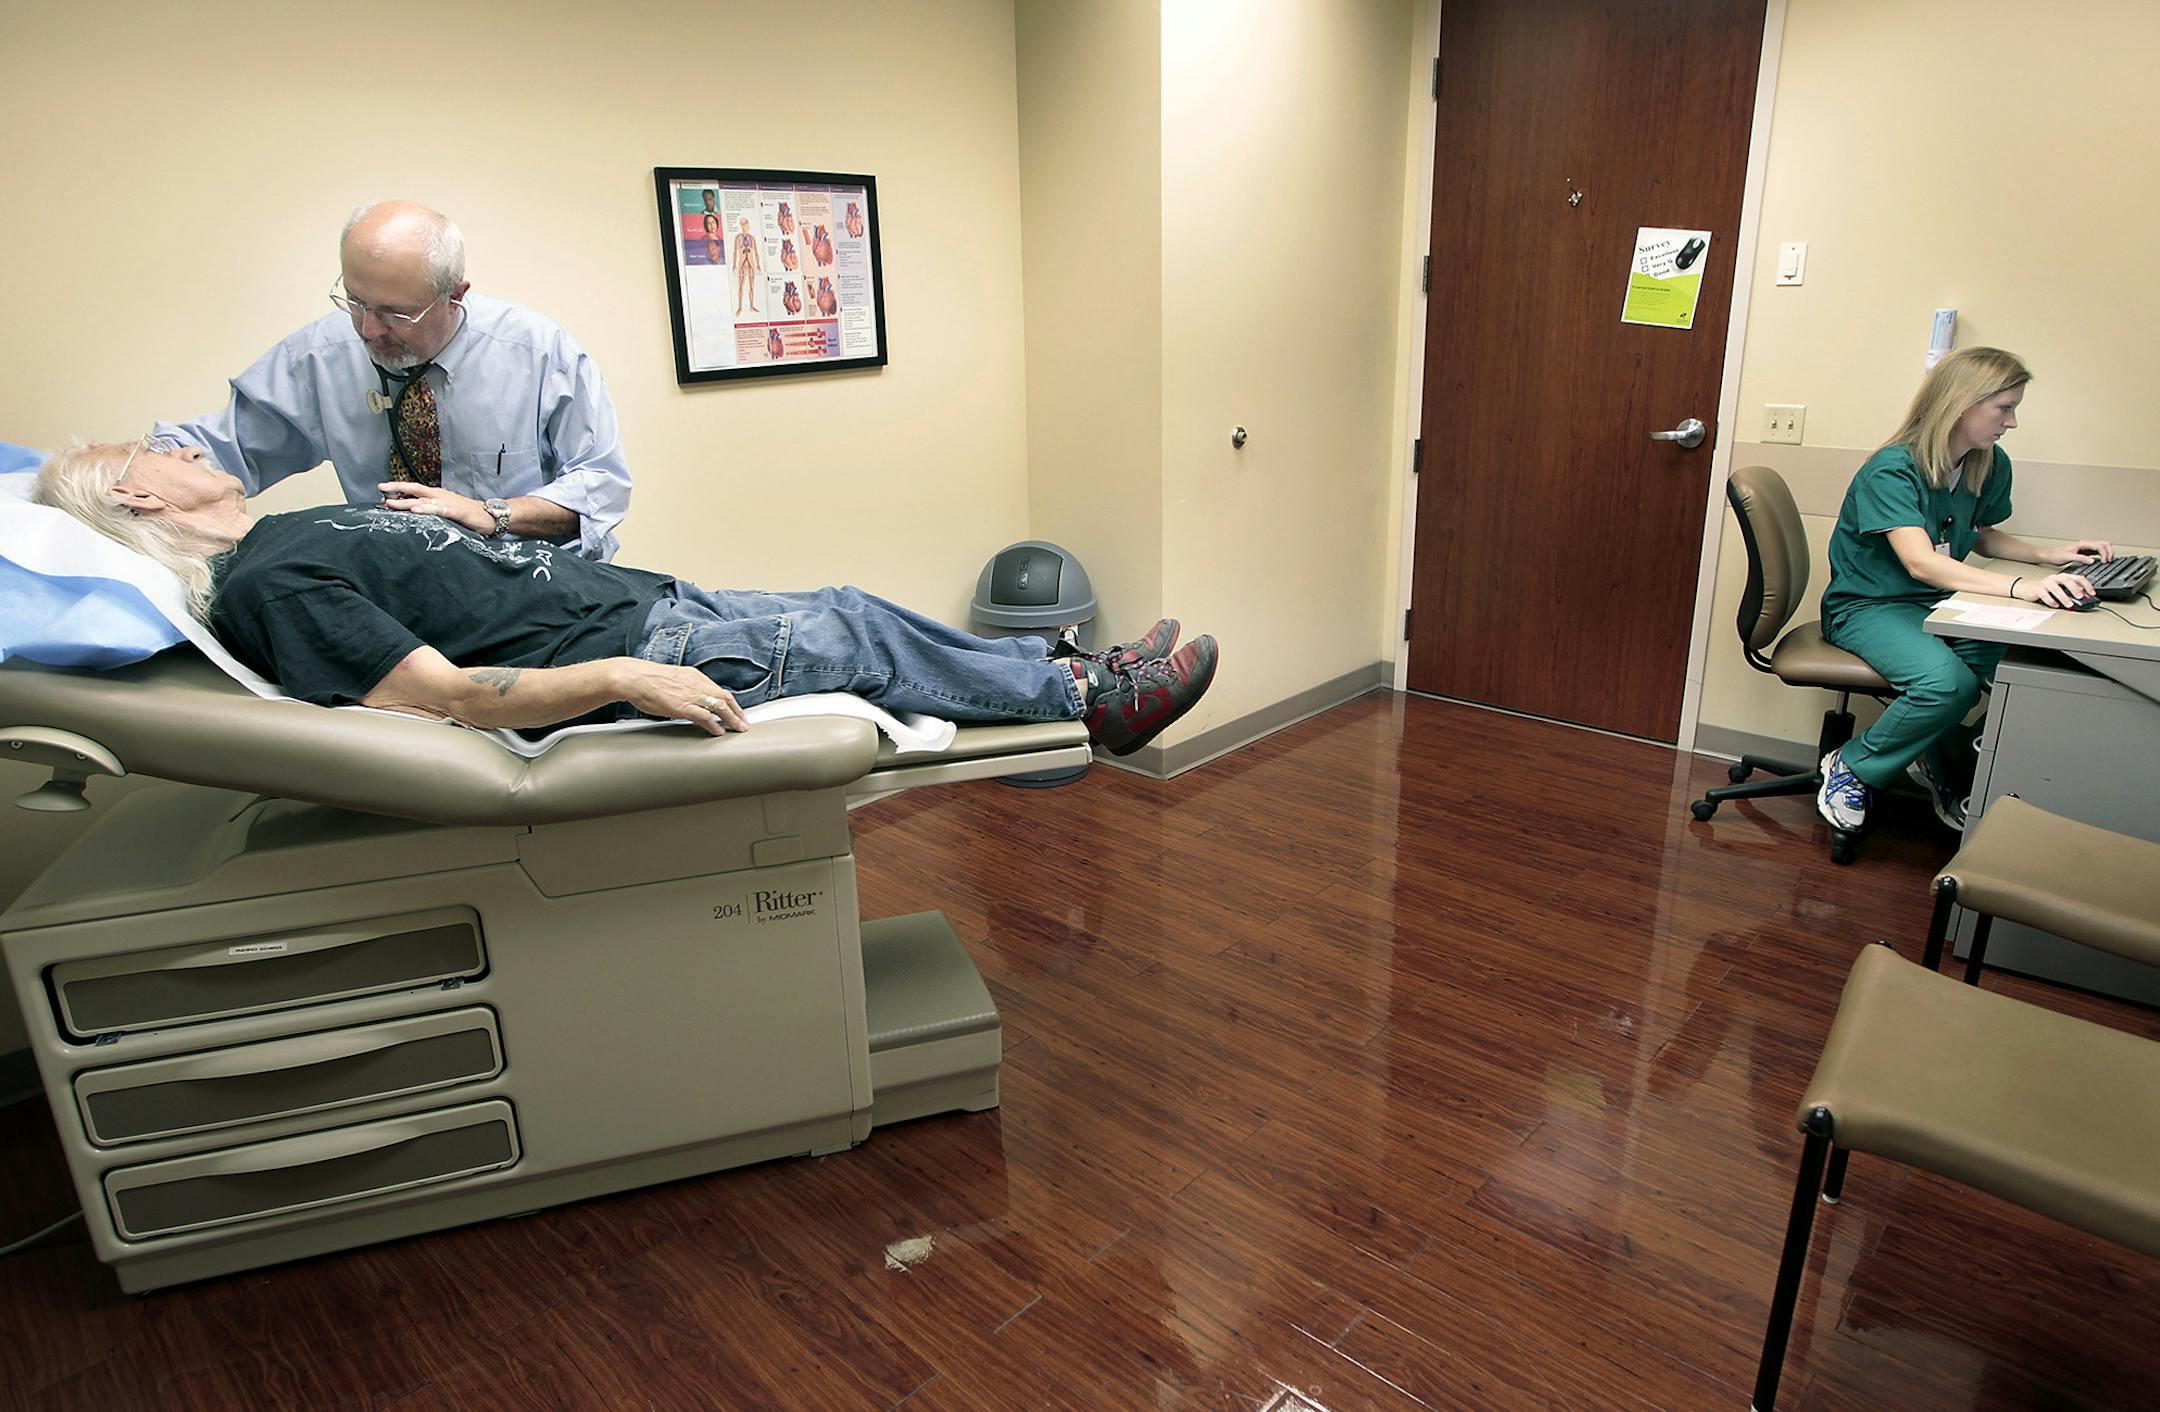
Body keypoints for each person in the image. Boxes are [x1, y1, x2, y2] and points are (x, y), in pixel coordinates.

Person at [32, 441, 1219, 758]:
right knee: (852, 627)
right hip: (628, 645)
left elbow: (452, 591)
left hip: (645, 597)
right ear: (140, 492)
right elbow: (443, 696)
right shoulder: (272, 579)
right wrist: (613, 677)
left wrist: (465, 520)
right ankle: (1090, 696)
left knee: (846, 603)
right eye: (158, 448)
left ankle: (1075, 677)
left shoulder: (289, 532)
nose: (182, 446)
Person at [153, 201, 632, 561]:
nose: (369, 329)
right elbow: (221, 448)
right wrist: (124, 469)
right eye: (356, 302)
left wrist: (493, 514)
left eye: (396, 314)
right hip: (404, 589)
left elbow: (601, 486)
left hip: (540, 586)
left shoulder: (540, 354)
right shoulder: (321, 356)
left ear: (455, 296)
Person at [1814, 346, 2113, 833]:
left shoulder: (1985, 463)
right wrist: (2023, 588)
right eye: (2004, 408)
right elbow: (1922, 561)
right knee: (1947, 684)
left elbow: (1979, 532)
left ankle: (1945, 753)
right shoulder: (1892, 469)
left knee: (2033, 668)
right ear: (1961, 403)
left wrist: (2050, 555)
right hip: (1869, 607)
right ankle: (1853, 765)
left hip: (1938, 604)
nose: (2011, 422)